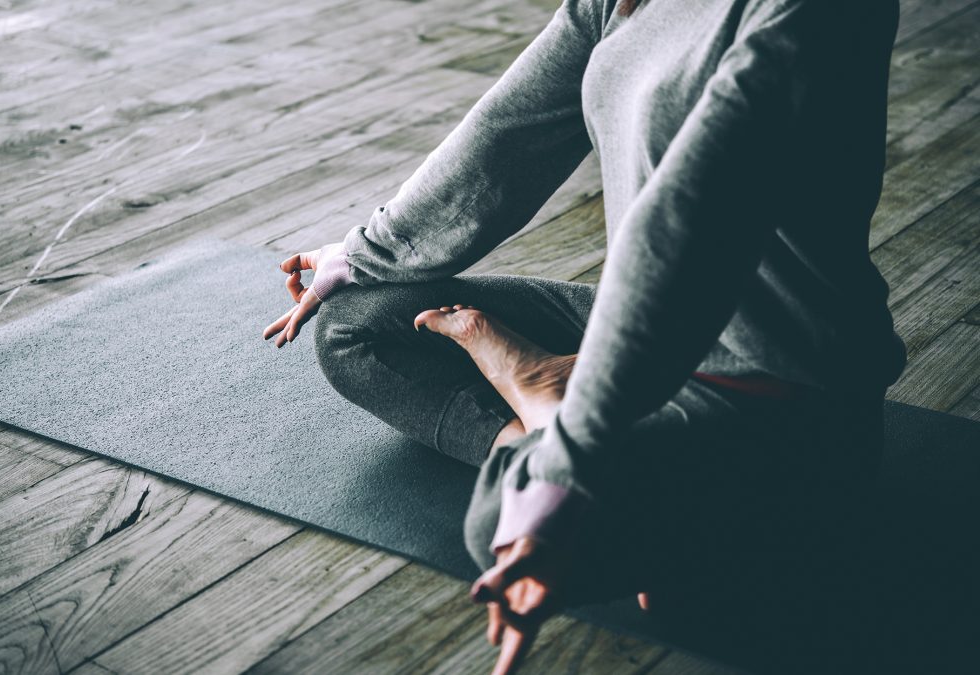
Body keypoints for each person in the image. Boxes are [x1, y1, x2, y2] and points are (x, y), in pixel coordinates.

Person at [263, 0, 906, 672]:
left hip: (778, 392)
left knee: (496, 528)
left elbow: (687, 224)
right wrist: (363, 253)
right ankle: (558, 424)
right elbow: (507, 137)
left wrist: (564, 473)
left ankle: (549, 408)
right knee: (354, 326)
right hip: (632, 322)